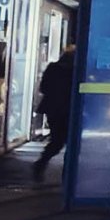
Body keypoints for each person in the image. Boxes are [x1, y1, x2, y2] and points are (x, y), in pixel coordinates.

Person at [33, 45, 75, 183]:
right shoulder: (76, 71)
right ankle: (67, 175)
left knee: (57, 141)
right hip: (69, 110)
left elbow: (43, 87)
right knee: (70, 142)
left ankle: (41, 164)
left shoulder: (53, 68)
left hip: (53, 110)